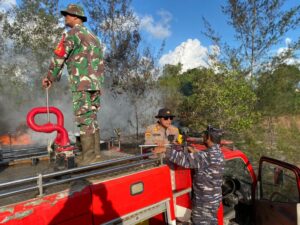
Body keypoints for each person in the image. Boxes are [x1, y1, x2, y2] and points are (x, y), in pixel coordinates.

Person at [42, 4, 104, 165]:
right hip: (96, 84)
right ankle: (96, 154)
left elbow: (59, 57)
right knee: (91, 117)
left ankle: (88, 157)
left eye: (67, 15)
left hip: (81, 83)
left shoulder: (72, 34)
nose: (65, 18)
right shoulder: (94, 37)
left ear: (76, 17)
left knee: (84, 118)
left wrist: (50, 77)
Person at [154, 126, 224, 225]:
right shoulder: (218, 153)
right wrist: (194, 151)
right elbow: (204, 159)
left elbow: (184, 160)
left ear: (208, 138)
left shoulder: (205, 156)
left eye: (204, 134)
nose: (202, 136)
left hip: (204, 202)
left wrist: (165, 150)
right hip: (214, 199)